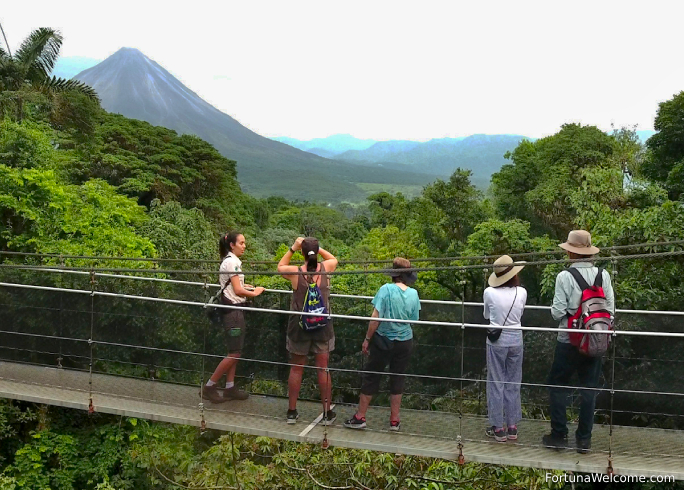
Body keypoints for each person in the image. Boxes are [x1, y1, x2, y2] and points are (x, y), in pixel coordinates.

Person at [542, 230, 614, 453]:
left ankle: (559, 435)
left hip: (568, 340)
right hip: (595, 341)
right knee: (589, 389)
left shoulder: (564, 277)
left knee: (557, 385)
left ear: (572, 253)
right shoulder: (604, 275)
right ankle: (584, 440)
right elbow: (610, 310)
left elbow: (557, 313)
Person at [344, 257, 420, 431]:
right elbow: (414, 319)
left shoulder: (385, 290)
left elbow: (375, 319)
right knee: (397, 377)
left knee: (371, 376)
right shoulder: (413, 294)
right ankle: (394, 420)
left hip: (384, 339)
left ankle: (360, 416)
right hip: (405, 341)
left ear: (393, 273)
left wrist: (367, 339)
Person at [278, 237, 338, 425]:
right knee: (323, 369)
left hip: (299, 326)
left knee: (296, 368)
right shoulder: (326, 269)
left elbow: (280, 266)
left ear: (302, 254)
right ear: (316, 251)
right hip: (322, 326)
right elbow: (334, 258)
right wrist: (318, 250)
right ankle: (327, 413)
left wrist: (292, 248)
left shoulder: (295, 273)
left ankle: (292, 411)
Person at [201, 231, 265, 404]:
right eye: (242, 243)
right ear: (232, 245)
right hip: (234, 313)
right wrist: (255, 292)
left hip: (234, 311)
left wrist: (246, 286)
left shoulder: (230, 261)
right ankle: (209, 386)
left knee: (234, 351)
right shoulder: (232, 262)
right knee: (234, 353)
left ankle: (230, 387)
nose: (244, 246)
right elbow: (237, 291)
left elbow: (234, 285)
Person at [483, 255, 527, 443]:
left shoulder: (489, 292)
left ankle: (498, 427)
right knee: (513, 382)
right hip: (516, 339)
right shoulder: (522, 292)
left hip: (496, 341)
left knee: (496, 381)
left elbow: (486, 314)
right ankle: (512, 426)